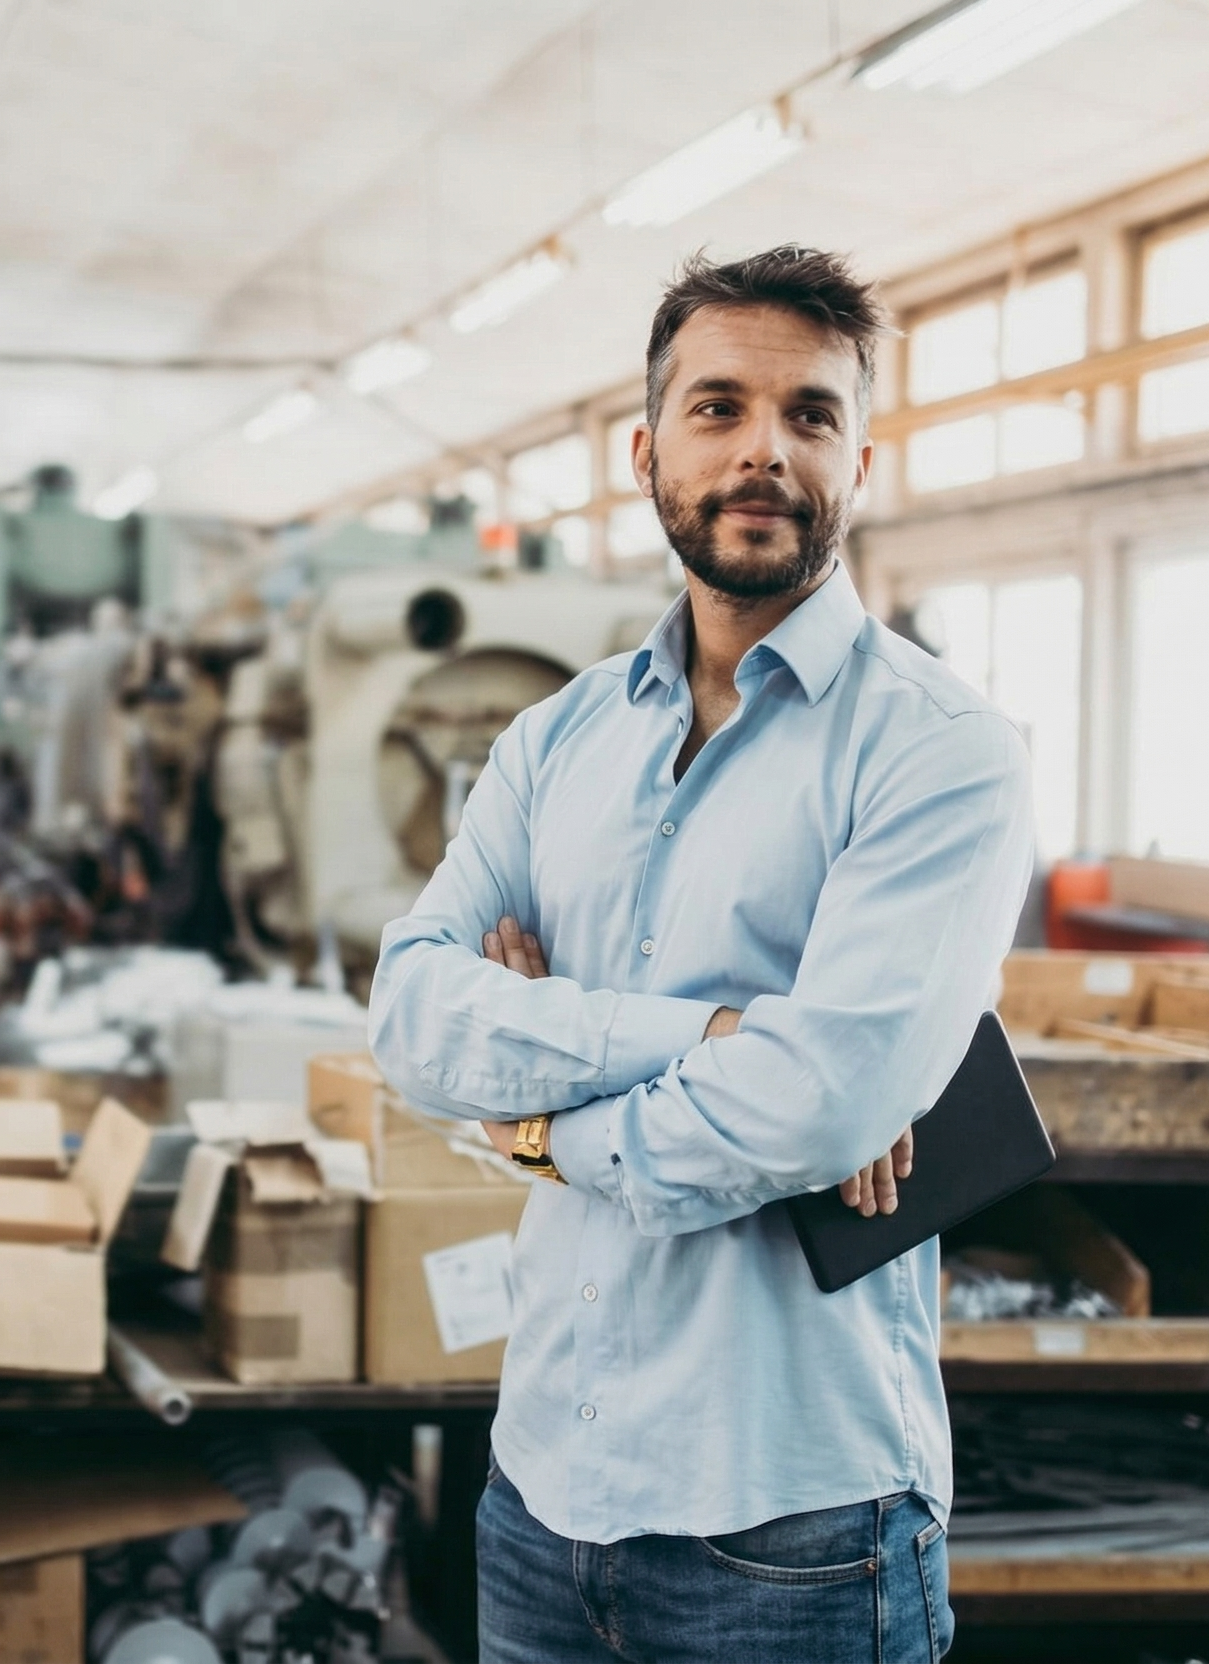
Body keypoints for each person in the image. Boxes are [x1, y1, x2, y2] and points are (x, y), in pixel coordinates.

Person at [369, 246, 1036, 1663]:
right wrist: (708, 1034)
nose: (761, 452)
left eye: (808, 415)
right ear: (645, 449)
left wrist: (538, 1124)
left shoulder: (939, 753)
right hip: (541, 1488)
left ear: (862, 455)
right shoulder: (553, 744)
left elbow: (820, 1098)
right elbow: (415, 1019)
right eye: (717, 407)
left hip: (794, 1525)